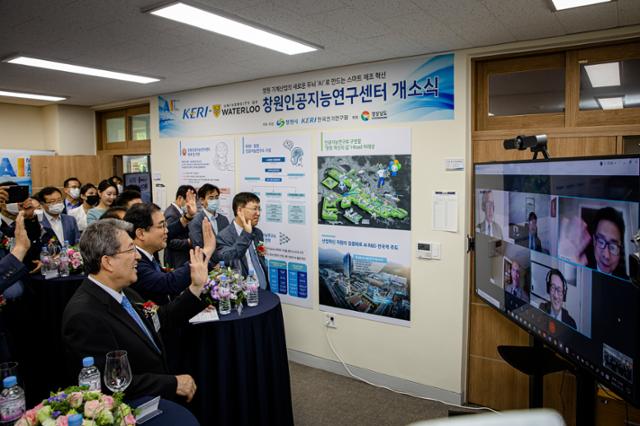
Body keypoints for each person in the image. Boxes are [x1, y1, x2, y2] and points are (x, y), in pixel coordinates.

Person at [61, 219, 209, 401]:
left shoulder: (124, 292)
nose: (138, 256)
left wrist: (196, 287)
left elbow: (160, 319)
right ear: (107, 262)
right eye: (131, 250)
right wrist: (171, 383)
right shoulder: (84, 316)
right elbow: (110, 383)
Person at [125, 203, 215, 305]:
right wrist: (205, 252)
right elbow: (167, 283)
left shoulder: (148, 254)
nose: (166, 230)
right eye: (161, 226)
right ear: (141, 233)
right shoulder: (134, 262)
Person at [215, 192, 268, 289]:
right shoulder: (224, 236)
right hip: (243, 293)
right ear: (240, 210)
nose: (258, 213)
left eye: (259, 209)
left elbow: (259, 261)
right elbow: (229, 257)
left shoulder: (258, 233)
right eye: (254, 209)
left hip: (264, 289)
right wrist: (246, 234)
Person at [559, 206, 627, 278]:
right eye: (601, 242)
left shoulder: (628, 283)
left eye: (613, 247)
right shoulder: (581, 269)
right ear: (594, 241)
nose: (606, 255)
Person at [188, 184, 230, 251]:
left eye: (216, 197)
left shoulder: (224, 219)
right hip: (206, 260)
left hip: (224, 258)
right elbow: (198, 247)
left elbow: (228, 242)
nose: (215, 201)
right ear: (202, 200)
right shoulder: (196, 222)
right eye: (211, 198)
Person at [164, 185, 196, 269]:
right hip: (176, 259)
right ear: (180, 198)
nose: (191, 204)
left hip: (182, 257)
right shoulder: (171, 214)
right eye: (189, 200)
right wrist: (188, 242)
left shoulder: (181, 212)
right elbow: (169, 241)